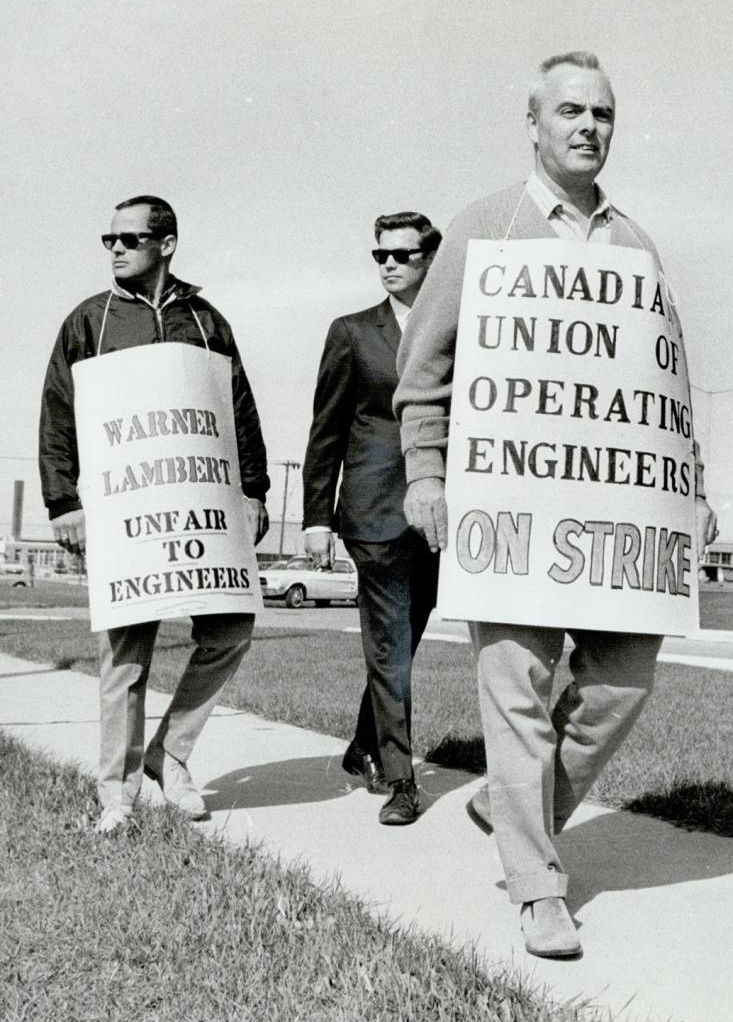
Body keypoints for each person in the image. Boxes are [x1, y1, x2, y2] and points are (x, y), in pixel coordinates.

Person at [395, 52, 717, 959]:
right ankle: (536, 885)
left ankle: (511, 808)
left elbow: (667, 383)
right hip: (506, 507)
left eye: (602, 114)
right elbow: (421, 376)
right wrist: (426, 476)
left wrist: (688, 489)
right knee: (518, 694)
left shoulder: (635, 245)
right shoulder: (481, 229)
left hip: (614, 524)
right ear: (532, 121)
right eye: (569, 110)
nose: (586, 126)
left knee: (621, 684)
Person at [39, 195, 270, 834]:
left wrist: (254, 492)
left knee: (231, 632)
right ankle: (116, 792)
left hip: (201, 517)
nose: (115, 248)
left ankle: (171, 752)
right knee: (127, 655)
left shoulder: (206, 321)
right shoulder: (90, 320)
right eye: (108, 238)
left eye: (129, 239)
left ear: (165, 244)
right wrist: (64, 503)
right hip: (125, 515)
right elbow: (59, 412)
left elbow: (238, 409)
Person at [301, 213, 443, 826]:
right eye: (379, 254)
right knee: (389, 644)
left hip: (437, 513)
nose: (388, 264)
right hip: (373, 510)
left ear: (430, 260)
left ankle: (364, 743)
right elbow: (325, 428)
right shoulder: (352, 333)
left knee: (405, 639)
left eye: (403, 255)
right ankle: (401, 779)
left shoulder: (457, 331)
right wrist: (315, 517)